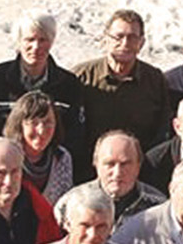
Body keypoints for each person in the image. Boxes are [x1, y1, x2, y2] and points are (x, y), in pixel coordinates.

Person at [0, 12, 87, 156]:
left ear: (52, 42)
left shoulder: (69, 85)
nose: (36, 46)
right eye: (29, 40)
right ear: (18, 42)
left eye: (42, 40)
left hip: (49, 169)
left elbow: (75, 136)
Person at [72, 9, 170, 161]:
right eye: (118, 37)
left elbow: (162, 129)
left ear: (141, 43)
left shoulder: (155, 80)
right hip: (86, 169)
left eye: (132, 37)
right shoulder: (81, 77)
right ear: (105, 39)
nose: (125, 44)